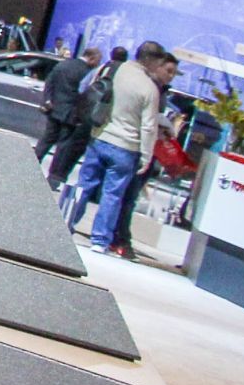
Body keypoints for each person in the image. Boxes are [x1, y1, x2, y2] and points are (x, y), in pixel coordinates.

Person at [68, 41, 173, 258]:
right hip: (127, 146)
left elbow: (90, 90)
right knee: (112, 195)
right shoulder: (149, 88)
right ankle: (99, 240)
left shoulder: (115, 69)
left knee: (84, 184)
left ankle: (65, 223)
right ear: (152, 60)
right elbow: (148, 126)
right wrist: (146, 155)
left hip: (100, 136)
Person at [40, 46, 103, 172]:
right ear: (91, 58)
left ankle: (32, 163)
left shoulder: (63, 64)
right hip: (72, 114)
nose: (98, 64)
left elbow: (49, 82)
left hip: (55, 109)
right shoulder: (88, 73)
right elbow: (86, 95)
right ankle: (53, 176)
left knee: (46, 140)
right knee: (62, 147)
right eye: (98, 60)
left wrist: (48, 100)